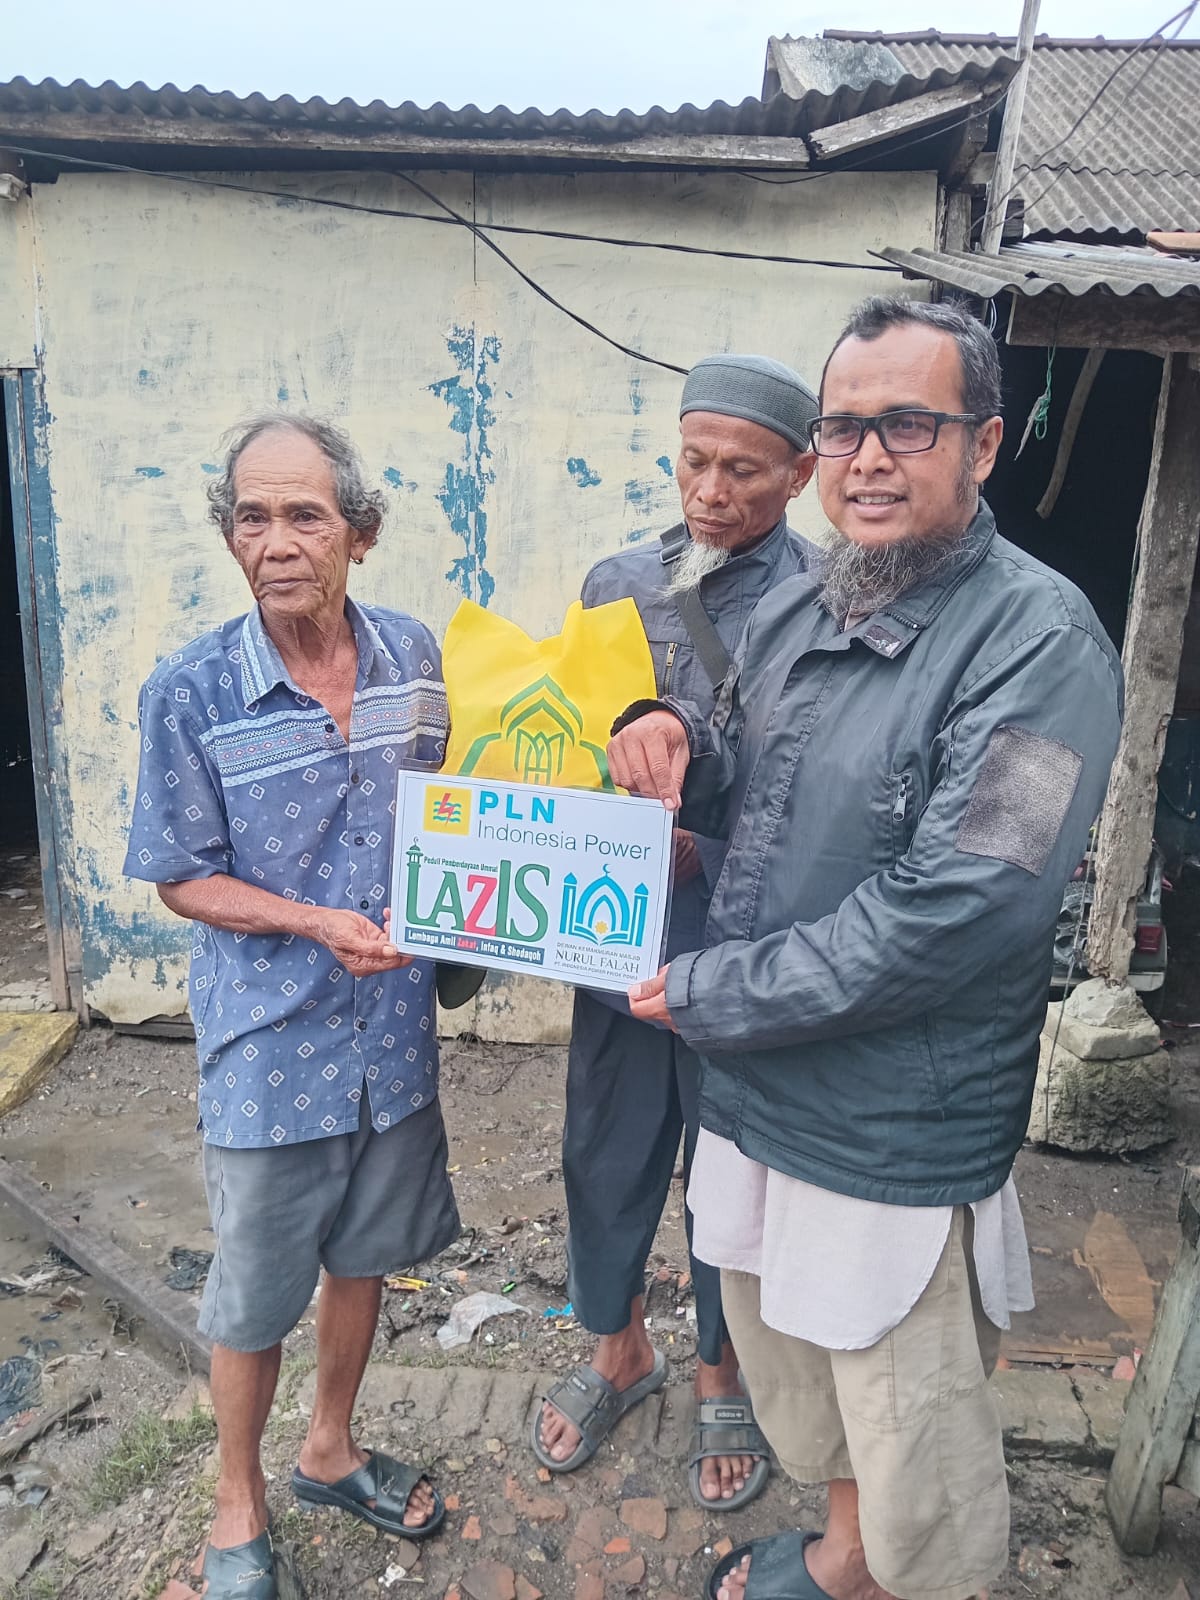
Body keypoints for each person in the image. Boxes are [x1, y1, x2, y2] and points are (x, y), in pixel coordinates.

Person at [607, 298, 1123, 1600]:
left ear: (985, 443)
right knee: (802, 1364)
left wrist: (717, 990)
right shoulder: (804, 604)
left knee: (908, 1417)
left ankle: (917, 1576)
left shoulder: (1043, 644)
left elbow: (970, 903)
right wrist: (677, 747)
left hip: (889, 1125)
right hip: (756, 1089)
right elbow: (750, 766)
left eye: (909, 425)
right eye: (844, 428)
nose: (869, 457)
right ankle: (847, 1559)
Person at [125, 416, 458, 1600]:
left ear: (359, 534)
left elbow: (445, 811)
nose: (275, 542)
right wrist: (314, 922)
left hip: (393, 1035)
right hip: (270, 1046)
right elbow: (179, 873)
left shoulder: (413, 655)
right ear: (230, 536)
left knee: (363, 1258)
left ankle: (329, 1448)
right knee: (255, 1294)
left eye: (304, 516)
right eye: (252, 518)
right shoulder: (192, 689)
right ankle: (237, 1501)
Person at [534, 355, 819, 1510]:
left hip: (744, 948)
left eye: (743, 470)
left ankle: (720, 1367)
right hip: (614, 937)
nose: (711, 491)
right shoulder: (617, 583)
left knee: (731, 1170)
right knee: (603, 1149)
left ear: (801, 474)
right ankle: (618, 1347)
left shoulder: (828, 600)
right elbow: (565, 742)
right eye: (695, 462)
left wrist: (711, 843)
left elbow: (823, 786)